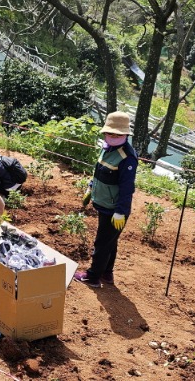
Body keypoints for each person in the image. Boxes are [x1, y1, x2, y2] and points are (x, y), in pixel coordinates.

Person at [74, 111, 138, 288]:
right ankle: (107, 273)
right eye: (110, 133)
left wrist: (120, 211)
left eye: (118, 134)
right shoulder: (107, 149)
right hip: (103, 204)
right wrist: (90, 186)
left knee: (102, 243)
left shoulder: (127, 157)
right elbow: (99, 171)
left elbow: (127, 188)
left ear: (126, 135)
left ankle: (93, 276)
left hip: (114, 209)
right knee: (111, 241)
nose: (113, 136)